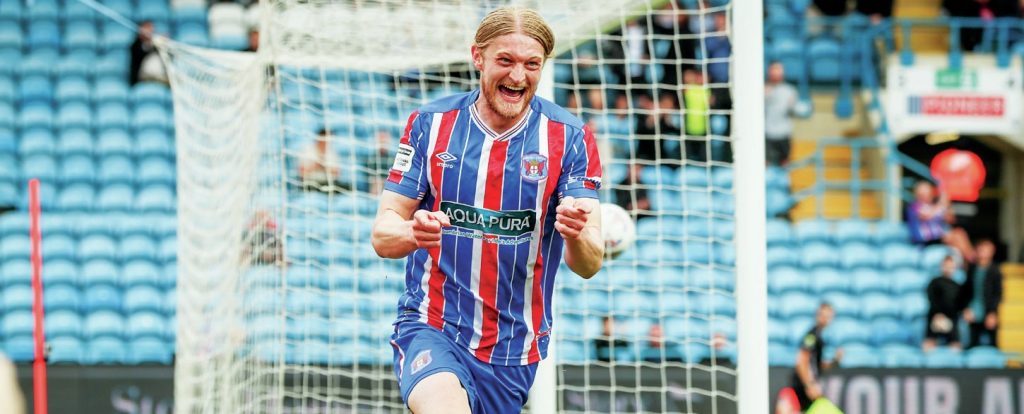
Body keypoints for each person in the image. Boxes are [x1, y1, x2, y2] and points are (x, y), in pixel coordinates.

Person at [371, 7, 604, 414]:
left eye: (532, 64)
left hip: (513, 348)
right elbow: (383, 233)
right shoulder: (431, 125)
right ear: (478, 57)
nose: (518, 76)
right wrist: (413, 232)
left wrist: (577, 232)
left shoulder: (570, 139)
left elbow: (589, 263)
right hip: (432, 325)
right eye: (506, 61)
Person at [790, 303, 843, 412]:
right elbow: (801, 361)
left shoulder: (819, 336)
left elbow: (817, 364)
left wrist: (834, 361)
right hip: (804, 385)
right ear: (818, 315)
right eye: (823, 315)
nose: (826, 319)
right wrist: (809, 384)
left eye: (828, 316)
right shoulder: (812, 336)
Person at [906, 181, 976, 262]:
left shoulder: (933, 206)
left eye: (928, 193)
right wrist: (942, 203)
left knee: (960, 235)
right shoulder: (914, 207)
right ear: (917, 195)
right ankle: (973, 260)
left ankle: (971, 260)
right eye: (923, 194)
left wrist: (947, 206)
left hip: (939, 238)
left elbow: (951, 219)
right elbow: (927, 216)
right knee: (957, 236)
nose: (926, 196)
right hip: (925, 241)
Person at [961, 239, 1003, 348]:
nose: (983, 252)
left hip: (988, 311)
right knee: (972, 343)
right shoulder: (972, 269)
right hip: (974, 311)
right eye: (981, 250)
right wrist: (966, 308)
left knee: (992, 344)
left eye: (986, 250)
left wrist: (992, 313)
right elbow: (966, 291)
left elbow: (998, 294)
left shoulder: (995, 270)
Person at [924, 255, 963, 352]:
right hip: (935, 316)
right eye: (946, 266)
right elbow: (932, 299)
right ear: (941, 266)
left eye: (951, 266)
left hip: (952, 318)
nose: (948, 268)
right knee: (929, 343)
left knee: (955, 344)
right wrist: (938, 314)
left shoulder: (956, 285)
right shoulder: (935, 282)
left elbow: (959, 304)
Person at [764, 62, 798, 166]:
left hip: (784, 133)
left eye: (778, 70)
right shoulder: (762, 89)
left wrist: (793, 107)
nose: (776, 73)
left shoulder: (789, 90)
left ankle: (785, 181)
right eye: (774, 70)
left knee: (785, 165)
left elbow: (794, 110)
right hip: (767, 133)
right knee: (765, 164)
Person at [129, 20, 157, 86]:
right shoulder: (135, 46)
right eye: (147, 28)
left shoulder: (156, 44)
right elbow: (142, 54)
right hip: (141, 79)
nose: (150, 31)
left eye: (151, 28)